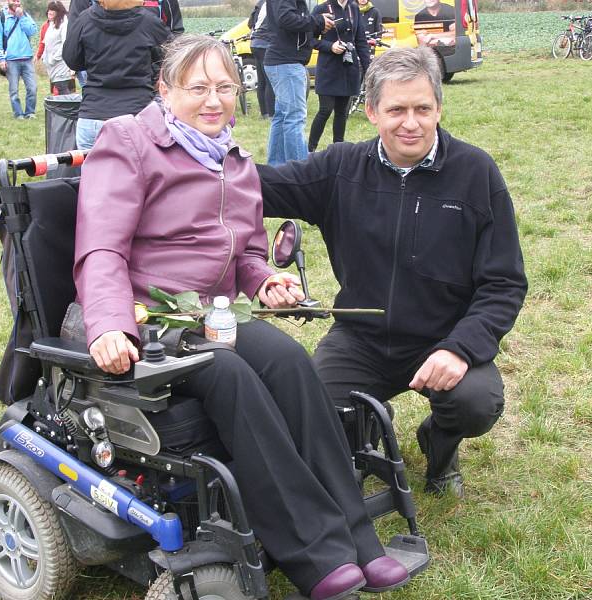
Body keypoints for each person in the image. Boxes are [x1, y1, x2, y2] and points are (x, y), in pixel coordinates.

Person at [74, 33, 410, 600]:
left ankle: (361, 540)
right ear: (164, 89)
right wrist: (109, 324)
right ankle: (315, 553)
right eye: (198, 87)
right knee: (232, 378)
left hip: (215, 312)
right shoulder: (127, 141)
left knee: (290, 363)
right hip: (148, 313)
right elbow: (102, 246)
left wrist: (267, 281)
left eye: (225, 88)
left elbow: (249, 252)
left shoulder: (233, 157)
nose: (214, 100)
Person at [259, 47, 527, 499]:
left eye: (423, 108)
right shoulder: (340, 167)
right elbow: (259, 187)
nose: (411, 122)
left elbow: (504, 283)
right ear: (370, 112)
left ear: (439, 107)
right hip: (360, 339)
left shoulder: (475, 172)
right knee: (309, 416)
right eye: (397, 109)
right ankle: (363, 430)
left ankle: (439, 447)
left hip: (441, 338)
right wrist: (197, 159)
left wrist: (460, 349)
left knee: (474, 403)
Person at [62, 0, 170, 150]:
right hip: (137, 114)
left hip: (93, 114)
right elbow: (170, 57)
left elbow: (72, 60)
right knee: (139, 172)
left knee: (93, 173)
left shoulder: (84, 20)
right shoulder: (149, 22)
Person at [264, 0, 334, 165]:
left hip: (281, 61)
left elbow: (294, 26)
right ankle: (301, 171)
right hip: (286, 62)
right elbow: (286, 18)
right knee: (294, 118)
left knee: (282, 117)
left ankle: (277, 167)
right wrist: (317, 20)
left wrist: (318, 23)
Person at [307, 0, 369, 152]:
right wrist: (330, 46)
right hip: (329, 67)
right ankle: (309, 149)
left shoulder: (354, 8)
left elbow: (361, 40)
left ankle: (338, 150)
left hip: (349, 67)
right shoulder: (321, 8)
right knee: (325, 110)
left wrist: (369, 69)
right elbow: (310, 39)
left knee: (342, 112)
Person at [0, 0, 38, 119]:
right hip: (11, 60)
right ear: (8, 2)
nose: (16, 2)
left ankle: (30, 112)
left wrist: (21, 17)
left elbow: (32, 31)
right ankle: (18, 114)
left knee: (32, 88)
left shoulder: (25, 15)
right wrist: (1, 59)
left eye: (18, 0)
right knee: (14, 90)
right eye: (14, 0)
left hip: (27, 58)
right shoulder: (1, 18)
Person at [68, 0, 183, 34]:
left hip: (151, 82)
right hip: (98, 82)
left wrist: (161, 69)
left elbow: (175, 32)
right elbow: (74, 39)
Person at [38, 1, 72, 95]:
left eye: (53, 10)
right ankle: (64, 108)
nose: (49, 12)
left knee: (63, 89)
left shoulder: (64, 24)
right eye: (49, 9)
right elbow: (46, 41)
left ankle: (69, 109)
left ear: (59, 12)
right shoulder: (52, 24)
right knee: (60, 89)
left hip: (60, 64)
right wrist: (44, 57)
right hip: (53, 66)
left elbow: (65, 44)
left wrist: (53, 59)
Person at [248, 0, 275, 118]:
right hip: (265, 43)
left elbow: (250, 23)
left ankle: (264, 112)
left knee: (262, 80)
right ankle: (271, 113)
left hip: (255, 43)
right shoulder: (275, 3)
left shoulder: (260, 3)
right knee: (269, 80)